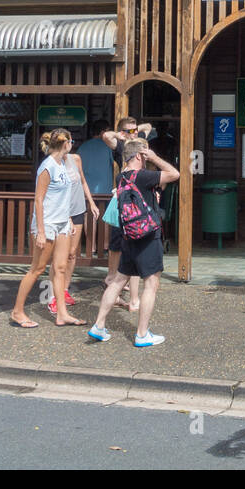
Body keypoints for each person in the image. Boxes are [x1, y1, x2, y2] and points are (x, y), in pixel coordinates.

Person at [89, 138, 179, 346]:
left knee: (118, 281)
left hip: (128, 235)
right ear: (140, 156)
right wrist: (156, 158)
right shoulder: (144, 176)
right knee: (151, 283)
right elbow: (175, 174)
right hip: (148, 236)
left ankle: (99, 326)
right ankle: (142, 334)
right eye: (146, 155)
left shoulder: (121, 177)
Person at [9, 129, 83, 328]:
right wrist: (40, 231)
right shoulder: (47, 166)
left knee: (60, 268)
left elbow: (61, 197)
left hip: (62, 223)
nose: (72, 145)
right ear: (65, 143)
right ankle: (17, 311)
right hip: (47, 223)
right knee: (38, 268)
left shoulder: (63, 164)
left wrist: (67, 219)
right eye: (71, 141)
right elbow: (39, 199)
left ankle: (62, 314)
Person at [51, 140, 100, 315]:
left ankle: (65, 289)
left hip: (78, 209)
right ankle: (54, 296)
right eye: (69, 141)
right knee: (60, 256)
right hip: (62, 213)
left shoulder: (76, 159)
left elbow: (83, 182)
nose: (72, 143)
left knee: (72, 253)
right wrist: (67, 216)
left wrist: (92, 203)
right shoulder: (53, 162)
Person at [100, 117, 139, 306]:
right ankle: (111, 278)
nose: (134, 133)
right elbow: (106, 136)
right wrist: (120, 135)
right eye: (130, 131)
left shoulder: (141, 144)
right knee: (116, 244)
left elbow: (149, 127)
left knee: (134, 244)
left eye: (135, 130)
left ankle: (133, 295)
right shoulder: (120, 146)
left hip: (138, 202)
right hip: (121, 201)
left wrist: (133, 133)